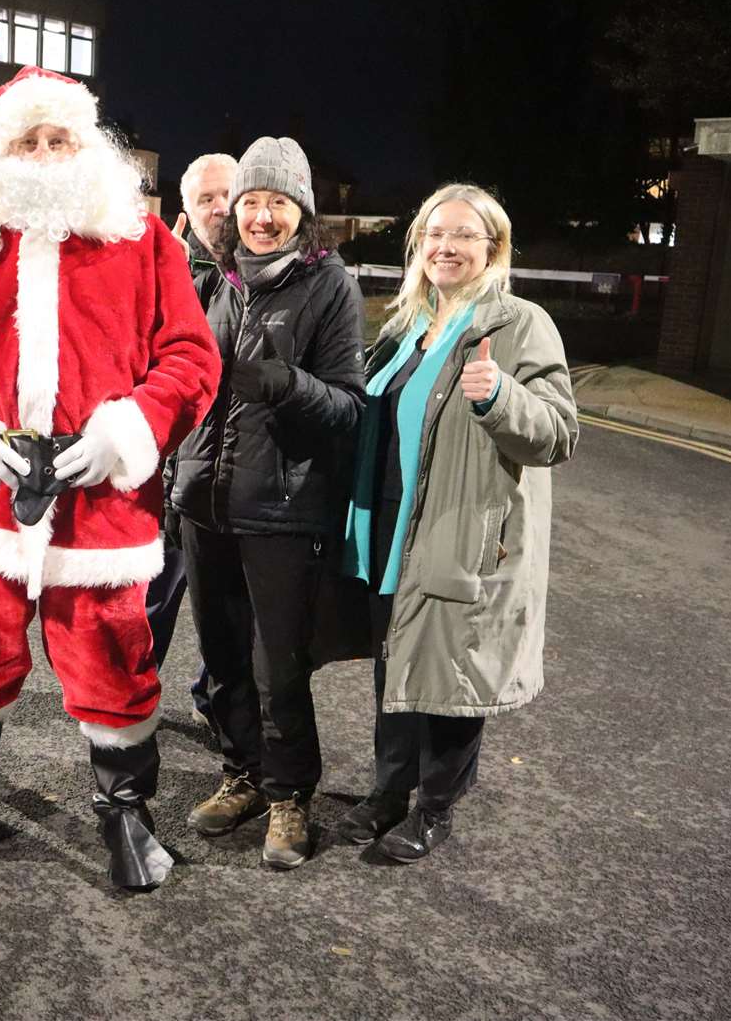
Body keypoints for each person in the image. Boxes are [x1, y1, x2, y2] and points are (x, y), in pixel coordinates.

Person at [0, 66, 220, 891]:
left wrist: (126, 431)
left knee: (112, 657)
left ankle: (126, 817)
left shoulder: (143, 240)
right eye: (26, 140)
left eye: (59, 138)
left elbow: (190, 356)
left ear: (86, 146)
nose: (43, 153)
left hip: (100, 499)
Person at [335, 183, 577, 861]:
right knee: (396, 663)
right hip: (390, 524)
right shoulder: (405, 324)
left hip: (458, 529)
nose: (447, 246)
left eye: (466, 235)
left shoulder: (519, 324)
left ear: (493, 249)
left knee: (451, 674)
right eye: (435, 233)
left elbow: (558, 433)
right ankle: (389, 791)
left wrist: (500, 397)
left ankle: (435, 807)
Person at [170, 136, 366, 870]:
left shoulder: (328, 287)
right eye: (251, 202)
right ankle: (242, 775)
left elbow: (349, 407)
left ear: (302, 213)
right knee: (220, 659)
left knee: (276, 665)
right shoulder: (218, 279)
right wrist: (175, 477)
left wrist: (286, 385)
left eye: (276, 203)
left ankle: (289, 797)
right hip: (204, 503)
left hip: (282, 509)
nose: (260, 216)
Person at [153, 152, 237, 732]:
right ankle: (129, 700)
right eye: (205, 198)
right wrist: (167, 278)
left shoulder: (266, 270)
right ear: (186, 209)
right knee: (153, 597)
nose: (219, 207)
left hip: (232, 469)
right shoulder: (165, 267)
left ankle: (214, 699)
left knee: (225, 605)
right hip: (170, 468)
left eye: (227, 194)